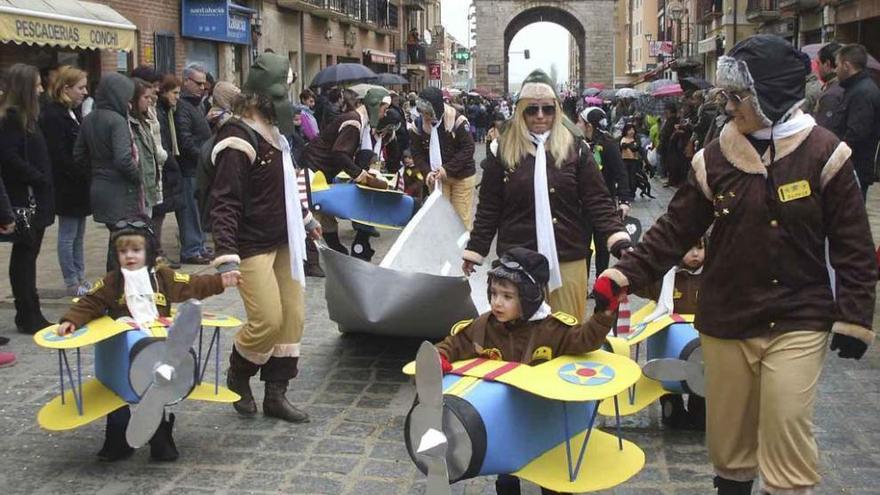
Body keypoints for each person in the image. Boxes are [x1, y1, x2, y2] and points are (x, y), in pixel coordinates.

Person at [593, 35, 877, 495]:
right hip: (726, 316)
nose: (727, 107)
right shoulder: (715, 157)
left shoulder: (826, 155)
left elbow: (854, 246)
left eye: (736, 97)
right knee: (729, 443)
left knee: (787, 425)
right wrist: (623, 275)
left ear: (771, 96)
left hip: (799, 316)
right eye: (725, 96)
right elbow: (675, 228)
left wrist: (855, 316)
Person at [436, 247, 614, 495]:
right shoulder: (485, 326)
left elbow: (585, 339)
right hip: (505, 416)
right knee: (507, 471)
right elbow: (456, 343)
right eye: (494, 293)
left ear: (530, 297)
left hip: (543, 415)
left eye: (507, 297)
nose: (497, 302)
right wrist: (438, 357)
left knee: (552, 472)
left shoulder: (553, 329)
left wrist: (603, 314)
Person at [55, 219, 236, 462]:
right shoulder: (112, 282)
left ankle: (160, 438)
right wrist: (71, 320)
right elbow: (90, 301)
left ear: (148, 252)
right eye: (123, 251)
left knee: (156, 389)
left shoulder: (163, 277)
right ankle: (118, 440)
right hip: (123, 349)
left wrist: (220, 282)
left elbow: (192, 284)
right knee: (117, 394)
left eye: (136, 250)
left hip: (155, 347)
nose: (130, 256)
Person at [464, 69, 631, 322]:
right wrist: (475, 250)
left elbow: (598, 201)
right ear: (521, 112)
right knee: (520, 340)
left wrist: (619, 241)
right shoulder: (502, 151)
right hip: (517, 262)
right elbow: (489, 207)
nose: (540, 116)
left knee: (567, 334)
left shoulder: (576, 150)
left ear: (557, 110)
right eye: (532, 109)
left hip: (568, 257)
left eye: (547, 109)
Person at [210, 53, 322, 423]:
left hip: (284, 240)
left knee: (292, 319)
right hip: (251, 244)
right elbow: (224, 200)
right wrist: (226, 254)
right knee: (267, 321)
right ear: (265, 94)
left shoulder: (274, 134)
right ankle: (238, 374)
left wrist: (306, 221)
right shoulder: (236, 136)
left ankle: (276, 393)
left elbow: (286, 188)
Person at [299, 87, 390, 256]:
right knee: (314, 216)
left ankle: (336, 251)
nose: (384, 115)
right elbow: (340, 153)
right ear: (376, 106)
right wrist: (362, 176)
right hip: (314, 170)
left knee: (325, 214)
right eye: (384, 110)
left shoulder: (357, 120)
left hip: (319, 169)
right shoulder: (354, 122)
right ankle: (312, 261)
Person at [0, 64, 55, 334]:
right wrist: (37, 176)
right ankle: (27, 313)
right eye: (37, 85)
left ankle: (31, 311)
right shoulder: (11, 118)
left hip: (35, 197)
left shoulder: (29, 118)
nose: (42, 90)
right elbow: (9, 158)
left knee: (28, 257)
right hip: (25, 199)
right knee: (24, 258)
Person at [631, 238, 707, 430]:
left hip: (700, 345)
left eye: (700, 248)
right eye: (689, 248)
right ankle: (671, 402)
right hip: (670, 343)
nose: (695, 254)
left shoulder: (712, 277)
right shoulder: (666, 277)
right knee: (669, 378)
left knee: (702, 380)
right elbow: (642, 284)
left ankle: (700, 403)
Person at [74, 73, 142, 272]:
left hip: (99, 186)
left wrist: (95, 174)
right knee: (122, 243)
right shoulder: (117, 121)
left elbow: (78, 155)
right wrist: (138, 177)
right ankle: (116, 289)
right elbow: (123, 159)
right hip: (120, 190)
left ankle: (114, 287)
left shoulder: (89, 119)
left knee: (116, 239)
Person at [38, 65, 91, 296]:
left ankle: (80, 275)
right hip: (66, 185)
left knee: (79, 234)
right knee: (68, 235)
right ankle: (71, 279)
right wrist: (79, 171)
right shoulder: (53, 115)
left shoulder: (73, 112)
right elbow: (59, 155)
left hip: (79, 184)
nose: (85, 92)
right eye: (80, 87)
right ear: (66, 88)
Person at [409, 87, 477, 229]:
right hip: (437, 178)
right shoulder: (418, 125)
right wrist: (427, 172)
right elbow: (417, 153)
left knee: (460, 221)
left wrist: (447, 169)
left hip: (462, 176)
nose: (426, 117)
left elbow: (468, 148)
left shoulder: (457, 120)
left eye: (429, 113)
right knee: (440, 220)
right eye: (422, 113)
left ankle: (461, 251)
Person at [577, 107, 633, 277]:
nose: (577, 124)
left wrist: (624, 200)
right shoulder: (578, 144)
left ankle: (601, 282)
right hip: (582, 205)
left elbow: (621, 173)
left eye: (580, 122)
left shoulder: (608, 144)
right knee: (582, 246)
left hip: (603, 205)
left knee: (603, 247)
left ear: (589, 125)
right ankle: (583, 283)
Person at [175, 63, 212, 264]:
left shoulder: (197, 104)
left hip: (198, 167)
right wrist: (203, 156)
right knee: (189, 209)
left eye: (204, 84)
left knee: (197, 208)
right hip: (189, 167)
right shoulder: (183, 107)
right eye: (198, 83)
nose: (202, 87)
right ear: (186, 81)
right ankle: (191, 248)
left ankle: (198, 245)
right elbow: (185, 140)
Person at [833, 43, 880, 199]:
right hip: (850, 167)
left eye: (837, 65)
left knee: (849, 216)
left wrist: (833, 154)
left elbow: (856, 133)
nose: (835, 70)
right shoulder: (855, 89)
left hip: (854, 168)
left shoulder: (862, 92)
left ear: (846, 66)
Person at [152, 76, 185, 267]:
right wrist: (171, 162)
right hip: (162, 168)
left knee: (160, 214)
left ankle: (157, 252)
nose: (177, 97)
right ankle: (156, 254)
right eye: (174, 93)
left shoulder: (168, 112)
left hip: (168, 167)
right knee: (157, 214)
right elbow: (160, 143)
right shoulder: (159, 113)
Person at [129, 78, 164, 214]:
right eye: (146, 97)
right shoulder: (128, 124)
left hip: (149, 186)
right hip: (138, 188)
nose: (150, 101)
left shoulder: (145, 121)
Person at [812, 42, 844, 131]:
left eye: (818, 64)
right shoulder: (840, 87)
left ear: (827, 64)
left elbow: (823, 129)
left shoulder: (832, 94)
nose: (817, 68)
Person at [620, 123, 653, 199]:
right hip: (624, 161)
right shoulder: (622, 139)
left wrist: (647, 162)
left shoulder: (636, 139)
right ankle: (625, 191)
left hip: (634, 162)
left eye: (633, 129)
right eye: (629, 130)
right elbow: (623, 147)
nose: (631, 131)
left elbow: (638, 149)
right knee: (626, 177)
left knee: (633, 177)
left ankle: (632, 192)